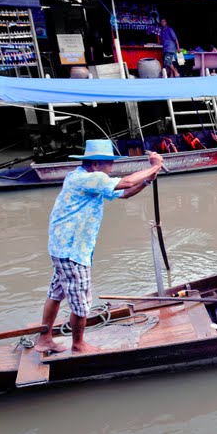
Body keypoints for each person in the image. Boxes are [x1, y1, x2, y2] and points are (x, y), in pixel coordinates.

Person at [34, 139, 164, 355]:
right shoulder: (88, 179)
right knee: (81, 301)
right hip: (72, 250)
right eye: (109, 164)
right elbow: (126, 182)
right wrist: (154, 166)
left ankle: (45, 339)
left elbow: (125, 193)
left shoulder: (83, 178)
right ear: (95, 164)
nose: (111, 168)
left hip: (63, 246)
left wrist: (149, 179)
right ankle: (78, 345)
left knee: (56, 292)